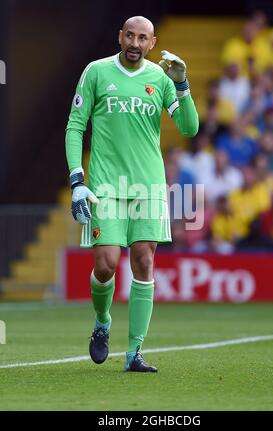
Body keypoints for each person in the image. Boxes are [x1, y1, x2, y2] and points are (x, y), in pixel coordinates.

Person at [65, 16, 199, 372]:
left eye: (143, 38)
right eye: (130, 35)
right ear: (120, 36)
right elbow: (75, 126)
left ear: (152, 42)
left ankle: (134, 352)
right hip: (106, 186)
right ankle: (102, 321)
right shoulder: (96, 72)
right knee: (106, 264)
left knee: (143, 260)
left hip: (148, 186)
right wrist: (78, 181)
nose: (135, 43)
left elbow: (189, 127)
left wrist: (182, 84)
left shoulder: (160, 78)